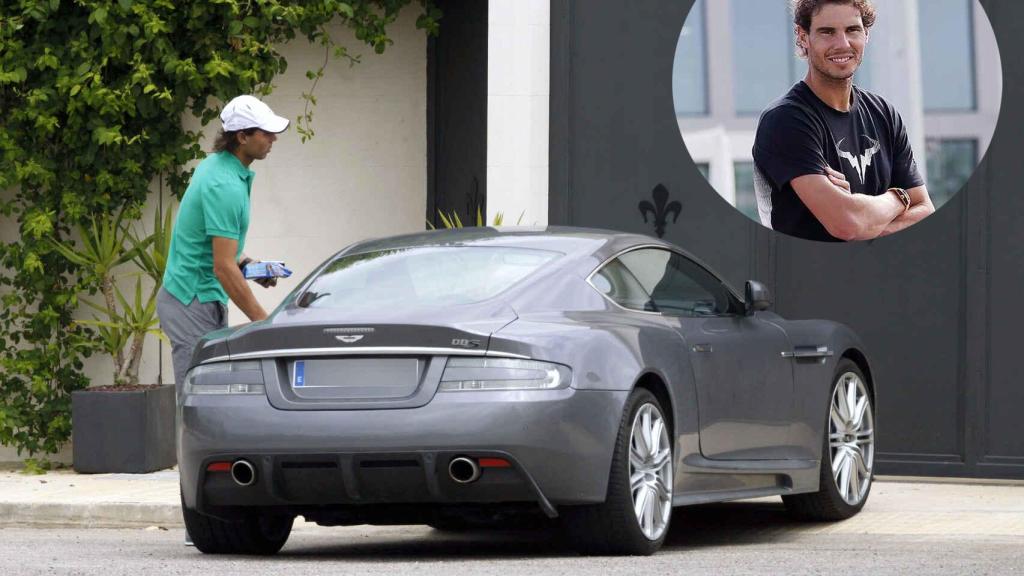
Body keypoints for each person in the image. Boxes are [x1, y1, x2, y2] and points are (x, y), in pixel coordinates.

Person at [155, 95, 288, 545]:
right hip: (191, 300)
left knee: (207, 402)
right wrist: (263, 322)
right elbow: (220, 267)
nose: (273, 139)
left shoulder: (227, 172)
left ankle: (209, 514)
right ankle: (199, 522)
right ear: (241, 136)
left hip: (202, 296)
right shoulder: (223, 185)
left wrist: (251, 265)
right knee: (196, 409)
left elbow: (222, 254)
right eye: (265, 132)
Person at [752, 0, 935, 242]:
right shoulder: (785, 120)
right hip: (806, 276)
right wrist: (898, 198)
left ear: (866, 34)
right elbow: (847, 225)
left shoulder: (884, 114)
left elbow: (925, 210)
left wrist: (867, 226)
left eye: (852, 30)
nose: (842, 44)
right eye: (827, 32)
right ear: (802, 36)